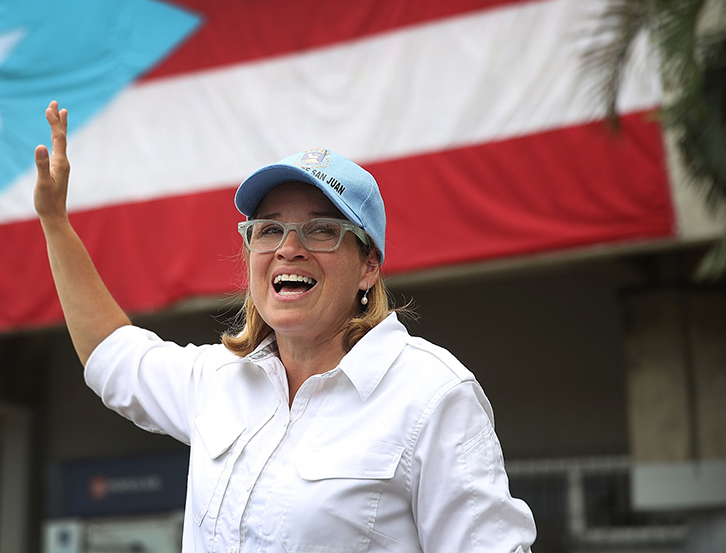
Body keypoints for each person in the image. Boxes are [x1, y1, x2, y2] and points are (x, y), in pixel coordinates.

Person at [34, 100, 537, 552]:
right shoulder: (219, 380)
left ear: (369, 266)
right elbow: (112, 354)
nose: (287, 247)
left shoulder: (431, 394)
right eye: (269, 229)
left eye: (321, 230)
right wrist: (55, 224)